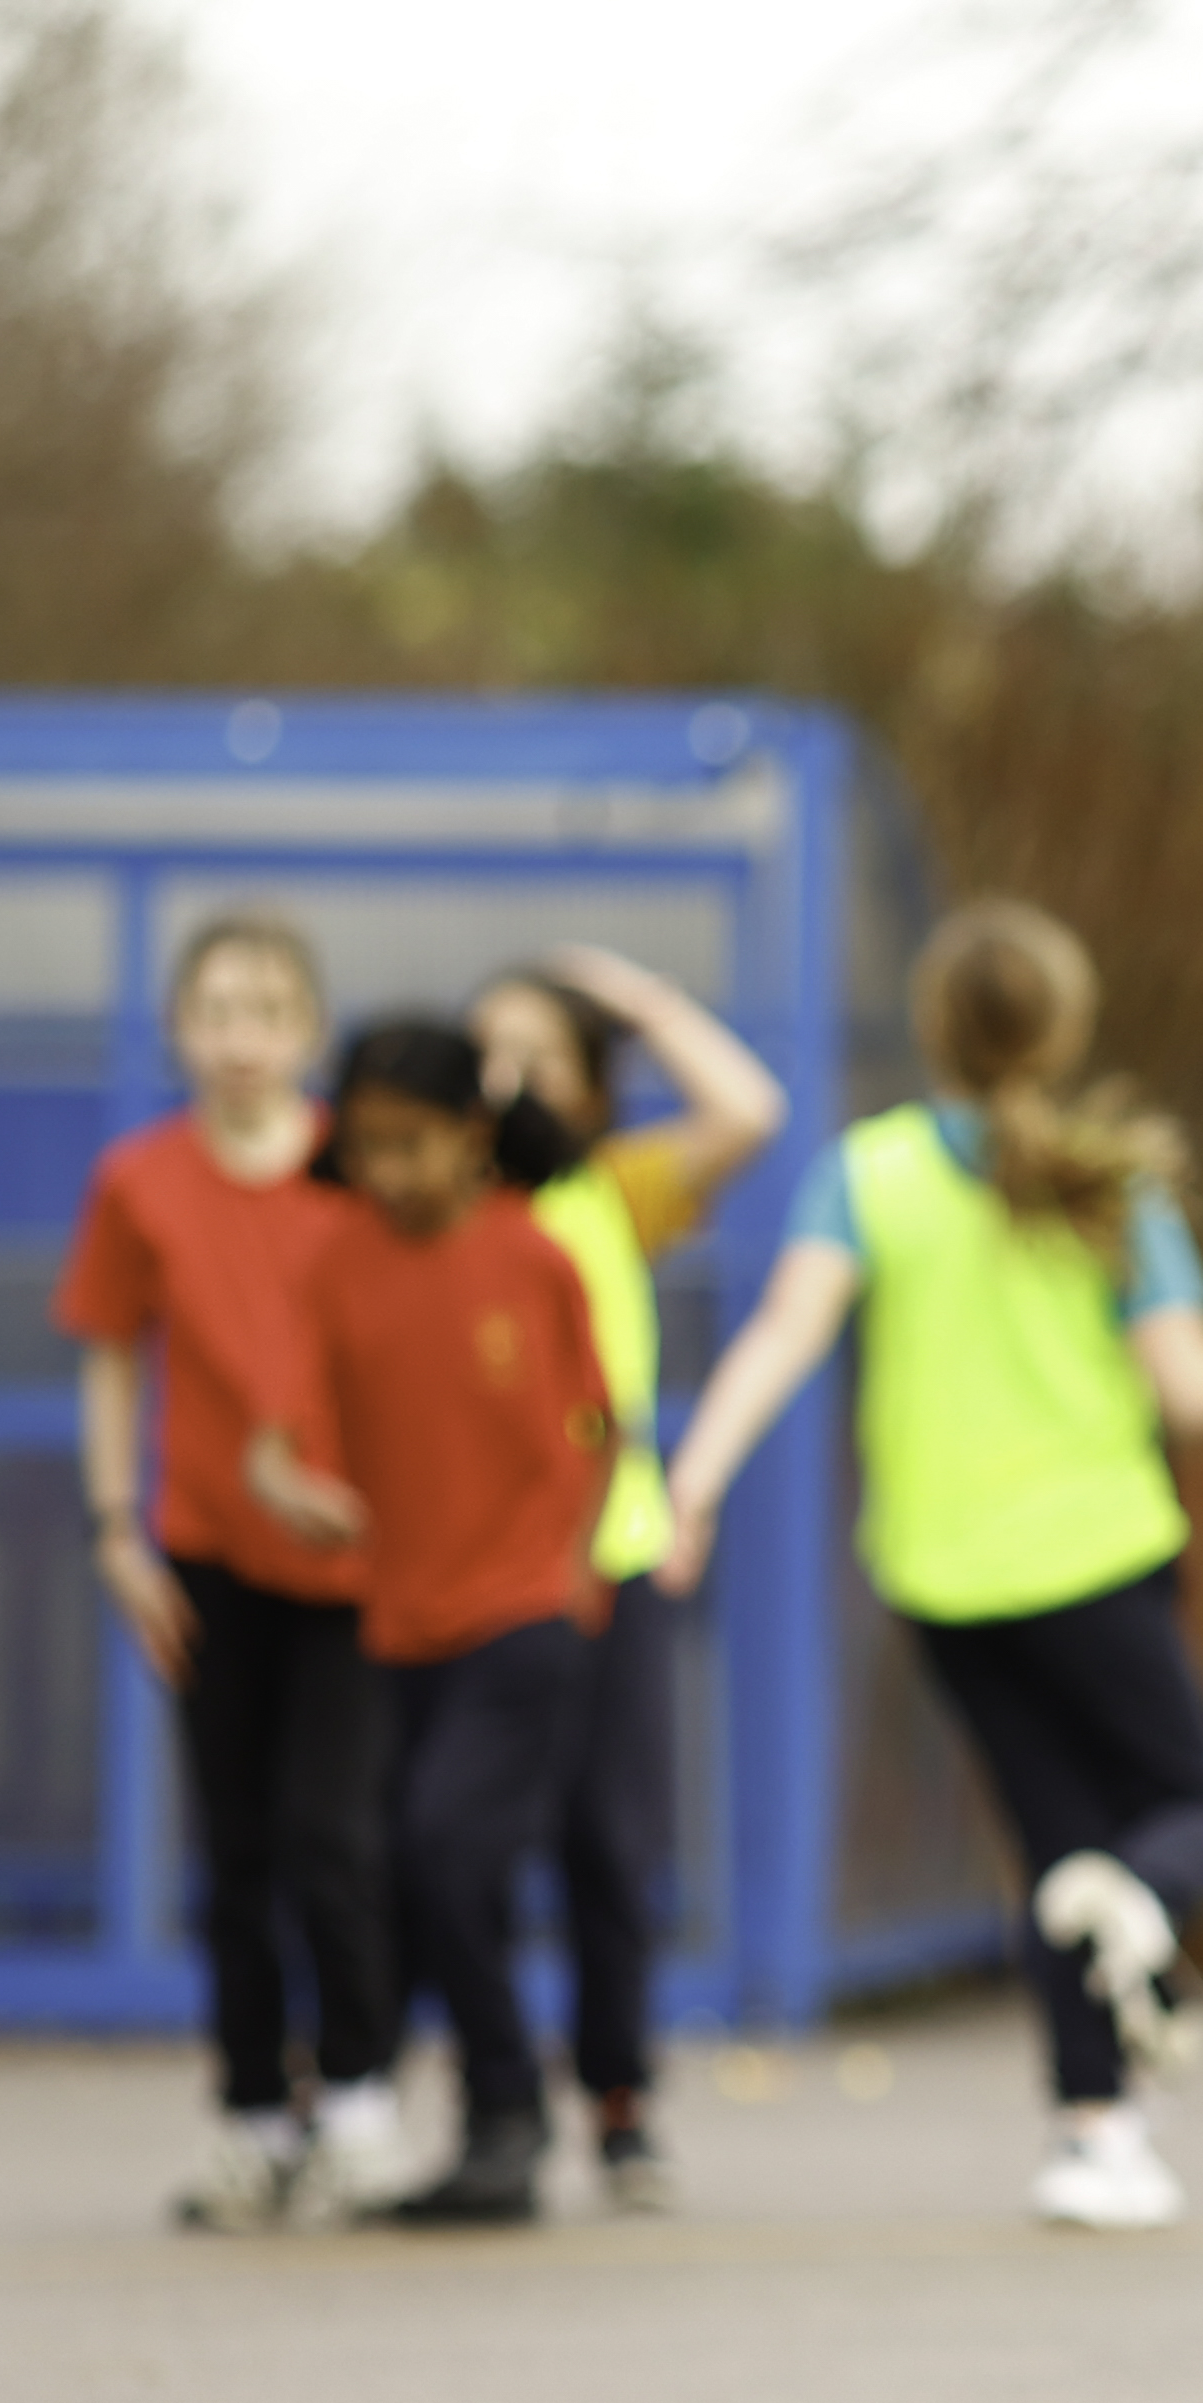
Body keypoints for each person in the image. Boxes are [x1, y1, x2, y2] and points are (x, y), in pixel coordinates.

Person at [660, 899, 1203, 2232]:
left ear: (932, 1029)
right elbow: (1199, 1395)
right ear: (1064, 1032)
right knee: (1190, 1814)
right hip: (1094, 1557)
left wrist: (696, 1477)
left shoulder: (869, 1174)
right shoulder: (1107, 1180)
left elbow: (781, 1335)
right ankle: (1140, 1917)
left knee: (1057, 1844)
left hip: (944, 1578)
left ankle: (1094, 2135)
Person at [54, 911, 409, 2234]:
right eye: (215, 1011)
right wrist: (116, 1527)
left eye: (267, 1011)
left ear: (309, 1031)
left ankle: (360, 2100)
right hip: (208, 1554)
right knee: (236, 1846)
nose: (241, 1037)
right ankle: (254, 2114)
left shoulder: (359, 1175)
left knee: (336, 1835)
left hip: (357, 1559)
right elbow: (109, 1350)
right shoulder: (139, 1182)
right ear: (177, 1030)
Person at [248, 1017, 617, 2227]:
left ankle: (508, 2112)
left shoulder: (534, 1258)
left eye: (411, 1145)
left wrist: (573, 1571)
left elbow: (600, 1425)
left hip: (522, 1614)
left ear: (473, 1135)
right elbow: (277, 1436)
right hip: (398, 1626)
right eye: (365, 1147)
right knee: (407, 1872)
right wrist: (288, 1487)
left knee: (446, 1846)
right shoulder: (333, 1260)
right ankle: (365, 2109)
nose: (387, 1171)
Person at [470, 948, 786, 2213]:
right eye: (487, 1054)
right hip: (478, 1571)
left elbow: (749, 1112)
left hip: (609, 1561)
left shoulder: (613, 1191)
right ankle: (490, 2102)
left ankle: (619, 2100)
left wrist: (641, 1003)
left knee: (612, 1843)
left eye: (538, 1058)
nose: (507, 1080)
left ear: (592, 1089)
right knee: (463, 1844)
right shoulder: (438, 1209)